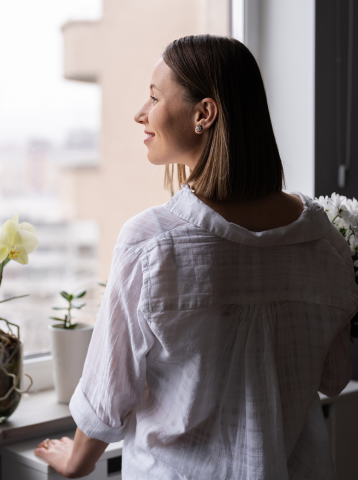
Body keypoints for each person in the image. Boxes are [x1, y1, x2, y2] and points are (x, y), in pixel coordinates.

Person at [34, 35, 358, 479]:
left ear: (204, 113)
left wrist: (75, 462)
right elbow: (334, 377)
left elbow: (107, 398)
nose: (140, 113)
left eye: (153, 97)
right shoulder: (325, 243)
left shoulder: (151, 244)